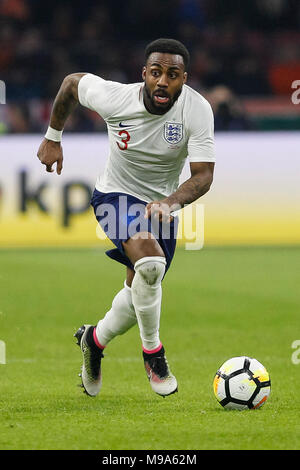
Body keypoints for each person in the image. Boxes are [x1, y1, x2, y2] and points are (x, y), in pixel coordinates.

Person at [37, 38, 215, 398]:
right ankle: (154, 354)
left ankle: (94, 340)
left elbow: (203, 175)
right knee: (150, 264)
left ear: (185, 79)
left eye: (173, 74)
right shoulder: (116, 97)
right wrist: (53, 136)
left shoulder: (197, 110)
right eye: (156, 73)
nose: (162, 81)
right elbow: (72, 83)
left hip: (161, 205)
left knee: (141, 290)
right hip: (114, 196)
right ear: (144, 74)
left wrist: (171, 202)